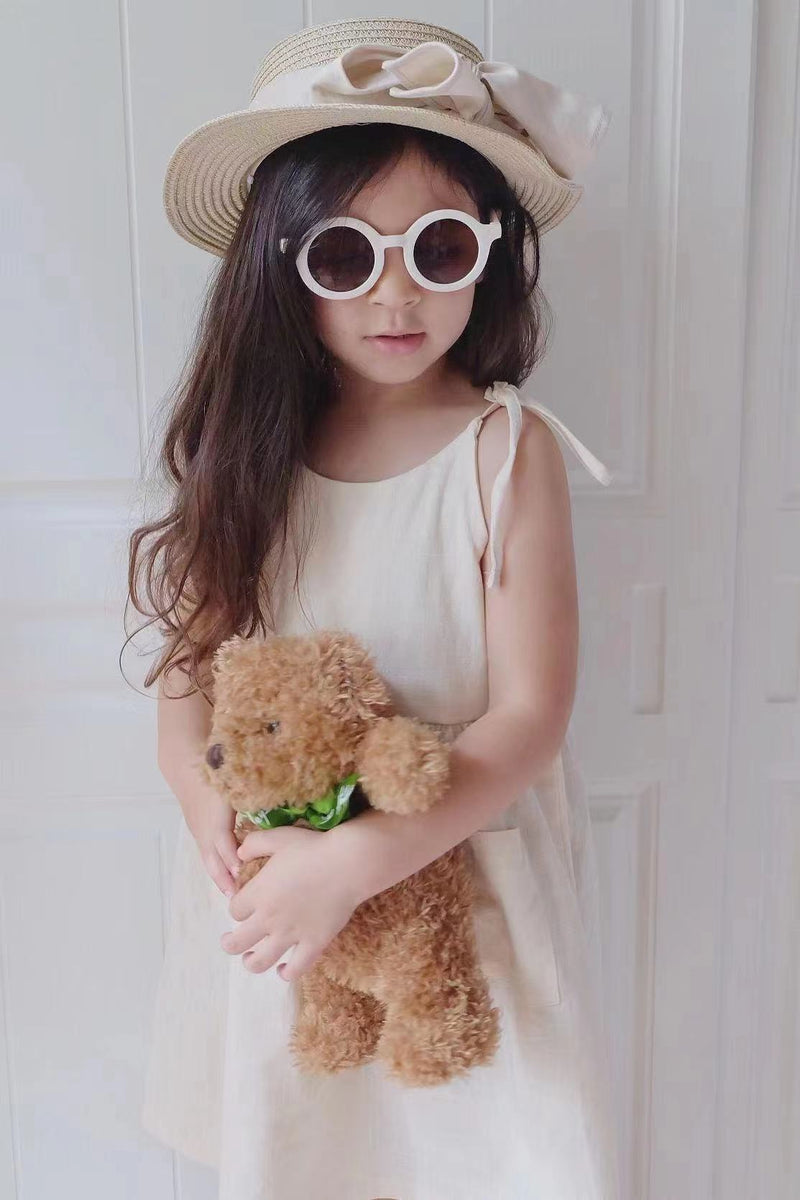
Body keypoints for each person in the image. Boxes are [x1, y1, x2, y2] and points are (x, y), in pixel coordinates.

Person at [133, 16, 621, 1200]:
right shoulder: (241, 457)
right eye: (346, 257)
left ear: (488, 257)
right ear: (279, 267)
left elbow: (526, 719)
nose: (394, 292)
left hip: (461, 875)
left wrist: (359, 858)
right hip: (282, 894)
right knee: (305, 1154)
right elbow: (188, 680)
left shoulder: (504, 452)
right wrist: (214, 811)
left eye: (436, 248)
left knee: (482, 1151)